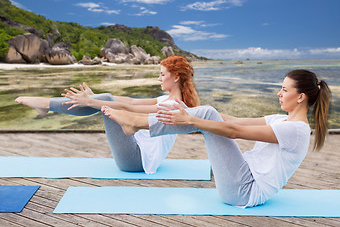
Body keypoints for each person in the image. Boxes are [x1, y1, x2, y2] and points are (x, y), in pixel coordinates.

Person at [101, 69, 331, 207]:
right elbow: (232, 119)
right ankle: (137, 123)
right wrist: (189, 110)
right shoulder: (281, 120)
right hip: (241, 179)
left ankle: (136, 123)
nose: (279, 94)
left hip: (245, 191)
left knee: (206, 116)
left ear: (300, 97)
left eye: (284, 90)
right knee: (208, 112)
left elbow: (234, 132)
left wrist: (192, 120)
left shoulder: (297, 130)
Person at [15, 55, 200, 174]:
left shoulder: (174, 106)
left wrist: (93, 101)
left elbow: (129, 109)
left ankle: (46, 105)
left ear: (176, 77)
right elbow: (131, 101)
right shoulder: (166, 99)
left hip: (135, 161)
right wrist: (94, 98)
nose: (158, 79)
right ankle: (47, 105)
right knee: (103, 99)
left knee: (103, 101)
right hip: (136, 153)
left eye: (162, 75)